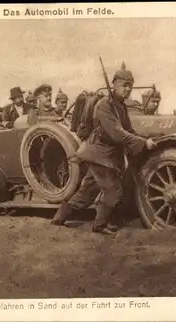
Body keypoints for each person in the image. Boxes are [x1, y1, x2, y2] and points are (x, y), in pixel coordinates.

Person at [50, 62, 157, 235]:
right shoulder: (104, 105)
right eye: (124, 85)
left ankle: (58, 219)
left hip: (105, 156)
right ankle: (99, 225)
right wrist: (143, 143)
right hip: (99, 154)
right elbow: (117, 133)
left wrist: (143, 140)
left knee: (86, 193)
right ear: (114, 84)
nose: (127, 89)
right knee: (114, 190)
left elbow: (128, 130)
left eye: (130, 86)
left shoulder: (120, 106)